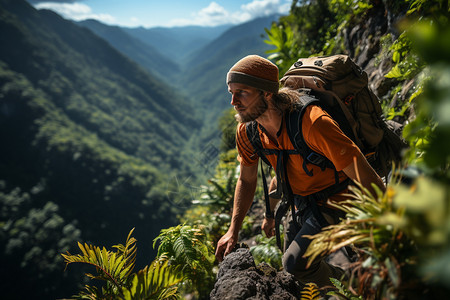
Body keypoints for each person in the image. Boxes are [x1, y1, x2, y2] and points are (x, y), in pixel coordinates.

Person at [214, 55, 386, 287]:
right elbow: (247, 179)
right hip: (301, 203)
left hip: (340, 201)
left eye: (242, 92)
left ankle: (354, 287)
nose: (233, 101)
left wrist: (387, 228)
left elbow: (366, 177)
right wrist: (238, 228)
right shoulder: (248, 131)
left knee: (295, 265)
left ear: (267, 93)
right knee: (294, 278)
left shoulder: (313, 123)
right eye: (231, 92)